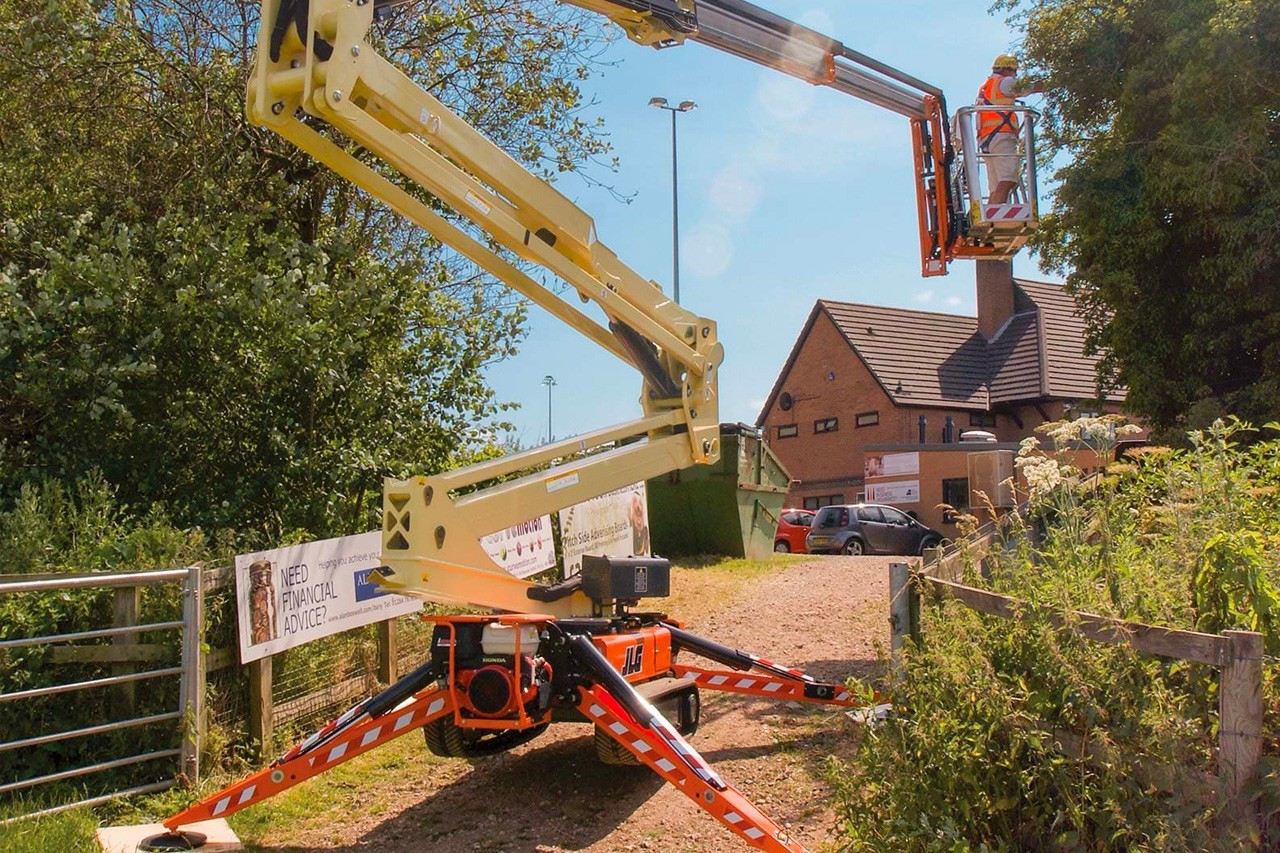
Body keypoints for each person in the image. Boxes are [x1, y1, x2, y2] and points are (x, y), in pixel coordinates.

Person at [976, 53, 1045, 205]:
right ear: (1008, 69)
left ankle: (992, 215)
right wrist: (1053, 83)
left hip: (986, 140)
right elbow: (1030, 87)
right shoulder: (1005, 82)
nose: (1015, 75)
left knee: (996, 187)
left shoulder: (986, 86)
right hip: (1001, 136)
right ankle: (996, 217)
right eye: (1015, 71)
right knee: (1007, 180)